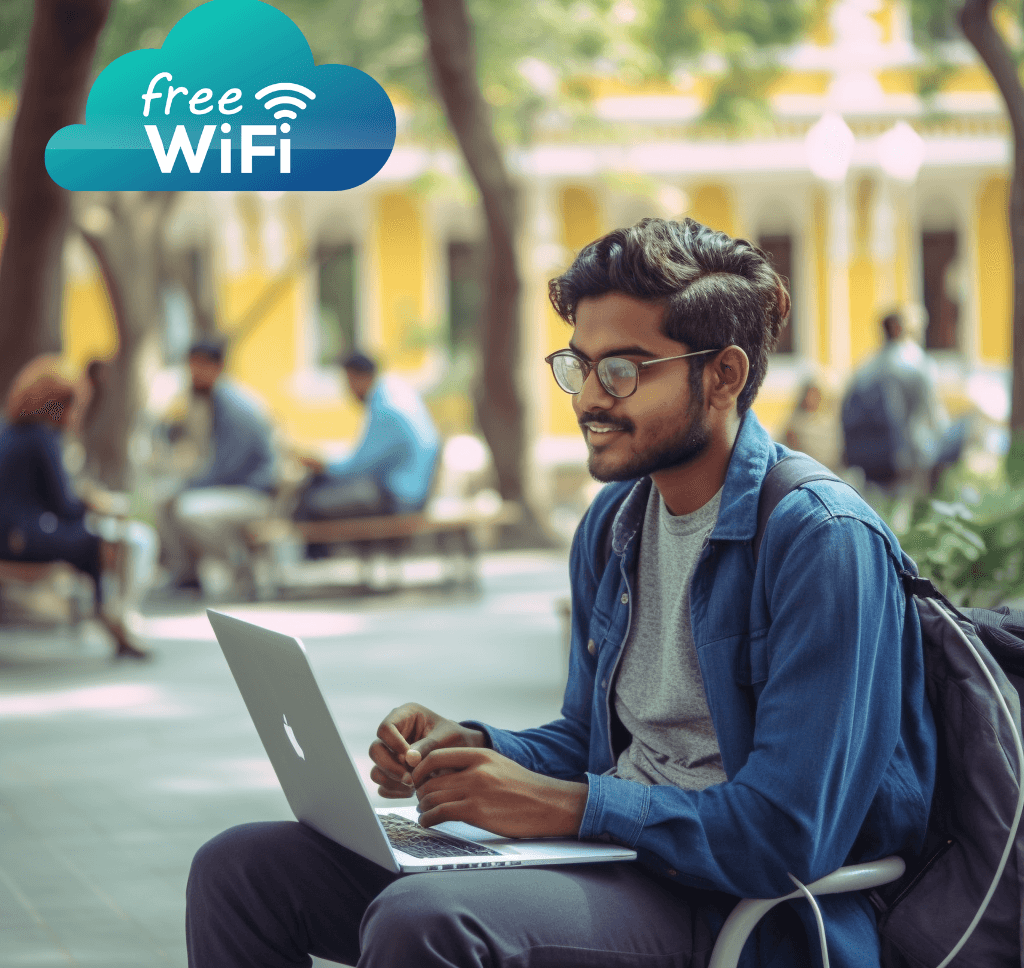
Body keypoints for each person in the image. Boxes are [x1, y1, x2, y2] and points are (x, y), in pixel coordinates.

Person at [185, 219, 936, 968]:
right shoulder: (616, 521)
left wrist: (564, 807)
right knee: (241, 871)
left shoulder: (822, 540)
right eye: (580, 367)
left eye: (625, 369)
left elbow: (786, 835)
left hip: (742, 910)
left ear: (724, 376)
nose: (588, 400)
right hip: (611, 859)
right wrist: (477, 751)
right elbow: (590, 741)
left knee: (426, 922)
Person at [0, 355, 149, 658]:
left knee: (89, 537)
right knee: (95, 541)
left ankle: (110, 616)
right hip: (21, 539)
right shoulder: (42, 437)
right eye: (72, 405)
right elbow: (64, 506)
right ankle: (110, 615)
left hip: (10, 535)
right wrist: (94, 502)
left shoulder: (11, 433)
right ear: (58, 404)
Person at [156, 338, 277, 594]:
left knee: (188, 511)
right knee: (165, 501)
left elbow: (227, 469)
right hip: (234, 489)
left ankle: (241, 569)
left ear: (218, 368)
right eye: (190, 366)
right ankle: (187, 576)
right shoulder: (213, 400)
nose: (193, 374)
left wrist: (188, 486)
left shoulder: (235, 407)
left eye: (200, 367)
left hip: (254, 494)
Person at [291, 351, 440, 524]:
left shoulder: (386, 408)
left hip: (400, 499)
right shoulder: (396, 392)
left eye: (349, 382)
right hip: (411, 491)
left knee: (311, 503)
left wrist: (323, 466)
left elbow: (358, 467)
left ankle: (311, 551)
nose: (348, 390)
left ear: (360, 377)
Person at [841, 308, 968, 493]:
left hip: (867, 459)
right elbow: (935, 416)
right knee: (966, 426)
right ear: (900, 330)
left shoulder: (864, 368)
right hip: (907, 457)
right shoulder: (916, 363)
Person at [781, 374, 843, 472]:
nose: (813, 399)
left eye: (816, 395)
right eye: (811, 394)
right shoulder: (794, 424)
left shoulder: (827, 422)